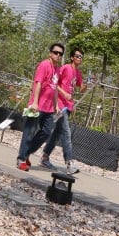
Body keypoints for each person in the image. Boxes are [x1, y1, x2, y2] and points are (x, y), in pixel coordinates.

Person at [15, 43, 64, 171]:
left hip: (49, 108)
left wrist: (56, 105)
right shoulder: (44, 65)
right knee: (29, 132)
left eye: (60, 54)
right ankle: (21, 159)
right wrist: (35, 102)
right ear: (50, 53)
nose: (58, 55)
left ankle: (26, 154)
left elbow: (54, 89)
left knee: (47, 132)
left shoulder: (58, 69)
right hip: (37, 105)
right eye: (55, 52)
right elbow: (38, 83)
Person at [39, 46, 85, 174]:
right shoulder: (65, 68)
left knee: (56, 133)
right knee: (66, 132)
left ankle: (44, 158)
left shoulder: (78, 73)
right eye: (77, 56)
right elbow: (54, 84)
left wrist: (88, 85)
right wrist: (64, 93)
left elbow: (81, 89)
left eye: (81, 57)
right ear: (72, 57)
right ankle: (69, 163)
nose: (79, 58)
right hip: (60, 105)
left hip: (69, 106)